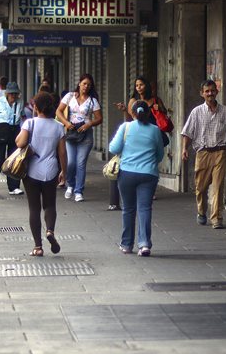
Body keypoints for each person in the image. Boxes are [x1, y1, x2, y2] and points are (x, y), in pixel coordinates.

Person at [109, 101, 168, 255]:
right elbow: (160, 155)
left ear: (132, 113)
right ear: (148, 114)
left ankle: (127, 245)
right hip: (148, 174)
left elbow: (113, 148)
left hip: (126, 173)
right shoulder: (155, 130)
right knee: (144, 208)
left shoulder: (125, 127)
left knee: (128, 209)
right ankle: (144, 244)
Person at [180, 79, 226, 229]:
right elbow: (187, 133)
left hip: (220, 152)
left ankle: (216, 218)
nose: (210, 93)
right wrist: (184, 149)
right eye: (207, 91)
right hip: (203, 153)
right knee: (201, 187)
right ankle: (201, 211)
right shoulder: (196, 112)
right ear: (202, 94)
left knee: (218, 187)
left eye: (212, 90)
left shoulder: (224, 111)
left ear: (217, 92)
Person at [15, 91, 67, 257]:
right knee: (50, 205)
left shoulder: (29, 123)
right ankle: (50, 230)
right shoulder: (59, 126)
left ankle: (38, 247)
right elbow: (63, 153)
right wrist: (64, 172)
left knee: (34, 208)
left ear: (35, 107)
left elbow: (20, 143)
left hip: (31, 171)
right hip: (51, 170)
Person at [109, 76, 171, 211]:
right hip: (138, 136)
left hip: (154, 134)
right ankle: (146, 185)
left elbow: (164, 115)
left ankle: (149, 188)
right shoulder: (133, 101)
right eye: (137, 85)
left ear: (146, 86)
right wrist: (125, 110)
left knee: (153, 160)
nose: (139, 87)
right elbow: (130, 120)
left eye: (141, 85)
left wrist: (157, 109)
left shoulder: (155, 100)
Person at [57, 74, 103, 203]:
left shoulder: (93, 101)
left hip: (86, 134)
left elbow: (99, 118)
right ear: (79, 84)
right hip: (71, 133)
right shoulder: (70, 96)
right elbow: (58, 111)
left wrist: (89, 124)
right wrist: (66, 123)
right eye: (84, 83)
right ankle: (70, 184)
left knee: (81, 163)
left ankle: (79, 191)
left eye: (88, 84)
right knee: (71, 162)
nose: (86, 86)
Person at [0, 81, 25, 196]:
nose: (14, 96)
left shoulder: (20, 102)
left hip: (15, 130)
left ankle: (14, 187)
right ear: (7, 93)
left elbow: (22, 116)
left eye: (16, 94)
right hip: (1, 129)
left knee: (14, 159)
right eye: (11, 93)